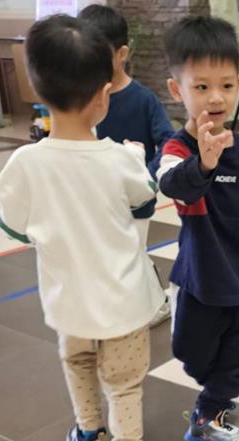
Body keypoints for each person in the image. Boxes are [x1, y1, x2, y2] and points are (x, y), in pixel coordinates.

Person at [0, 14, 162, 441]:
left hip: (68, 298)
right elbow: (145, 200)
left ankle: (90, 435)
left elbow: (14, 226)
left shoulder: (25, 163)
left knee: (79, 362)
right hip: (123, 300)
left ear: (36, 88)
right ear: (104, 95)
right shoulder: (121, 159)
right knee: (124, 381)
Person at [156, 15, 239, 441]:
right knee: (191, 353)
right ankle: (212, 389)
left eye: (227, 85)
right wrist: (205, 163)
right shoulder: (177, 149)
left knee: (236, 358)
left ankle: (208, 415)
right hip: (199, 279)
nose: (216, 97)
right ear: (178, 90)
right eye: (202, 86)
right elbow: (173, 185)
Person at [78, 2, 173, 328]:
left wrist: (148, 177)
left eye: (98, 55)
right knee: (113, 254)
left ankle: (156, 302)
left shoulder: (143, 99)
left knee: (131, 253)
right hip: (98, 199)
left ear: (122, 54)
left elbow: (168, 140)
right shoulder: (84, 98)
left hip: (135, 200)